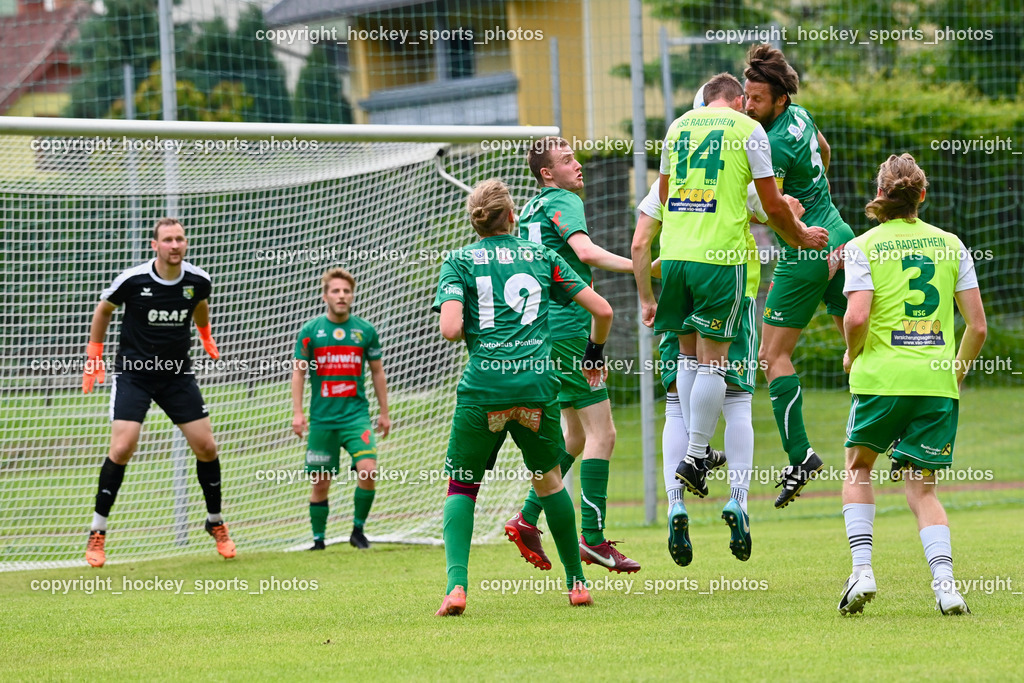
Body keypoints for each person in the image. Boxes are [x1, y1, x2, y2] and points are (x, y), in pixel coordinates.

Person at [643, 72, 826, 511]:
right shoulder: (753, 130)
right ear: (740, 99)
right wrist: (798, 232)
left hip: (674, 260)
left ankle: (678, 493)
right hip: (722, 264)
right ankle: (699, 457)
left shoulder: (678, 126)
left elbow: (665, 199)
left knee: (685, 367)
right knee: (723, 370)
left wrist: (646, 289)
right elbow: (772, 202)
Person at [433, 179, 613, 615]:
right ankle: (576, 584)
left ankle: (457, 588)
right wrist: (594, 354)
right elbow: (603, 310)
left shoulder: (458, 262)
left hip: (484, 390)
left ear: (475, 222)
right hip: (535, 387)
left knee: (463, 486)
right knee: (550, 480)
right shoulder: (542, 256)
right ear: (512, 216)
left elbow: (451, 329)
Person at [838, 153, 985, 616]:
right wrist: (955, 372)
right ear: (922, 196)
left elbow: (857, 315)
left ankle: (862, 571)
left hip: (882, 379)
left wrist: (851, 352)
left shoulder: (864, 245)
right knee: (923, 488)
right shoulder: (952, 245)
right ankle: (946, 586)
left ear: (881, 194)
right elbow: (977, 327)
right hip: (934, 384)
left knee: (858, 469)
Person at [504, 135, 640, 574]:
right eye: (566, 160)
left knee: (576, 438)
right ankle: (594, 539)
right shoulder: (562, 199)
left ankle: (527, 517)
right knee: (604, 435)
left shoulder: (528, 209)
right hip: (567, 328)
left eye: (575, 157)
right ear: (548, 174)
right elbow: (585, 252)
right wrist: (643, 265)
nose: (577, 165)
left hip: (543, 329)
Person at [82, 217, 233, 567]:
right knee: (122, 447)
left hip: (176, 375)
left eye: (180, 239)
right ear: (155, 245)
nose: (175, 245)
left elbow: (199, 302)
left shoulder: (199, 280)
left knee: (207, 447)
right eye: (168, 240)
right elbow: (104, 309)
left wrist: (205, 334)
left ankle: (215, 522)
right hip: (134, 374)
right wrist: (94, 353)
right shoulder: (133, 280)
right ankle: (97, 532)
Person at [743, 43, 856, 507]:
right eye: (745, 97)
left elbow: (776, 211)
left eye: (756, 100)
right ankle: (896, 429)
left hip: (808, 250)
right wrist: (816, 203)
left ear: (779, 100)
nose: (748, 106)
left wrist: (773, 221)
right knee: (859, 347)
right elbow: (824, 153)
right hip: (840, 233)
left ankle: (800, 454)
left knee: (771, 357)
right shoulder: (802, 116)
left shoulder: (772, 143)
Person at [291, 268, 390, 551]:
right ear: (325, 295)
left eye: (346, 291)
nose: (342, 296)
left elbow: (377, 372)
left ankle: (358, 531)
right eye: (335, 291)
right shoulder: (311, 332)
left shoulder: (365, 331)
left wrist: (384, 413)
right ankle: (318, 541)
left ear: (352, 295)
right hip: (322, 420)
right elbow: (298, 373)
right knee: (320, 483)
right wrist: (298, 413)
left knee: (368, 470)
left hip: (355, 416)